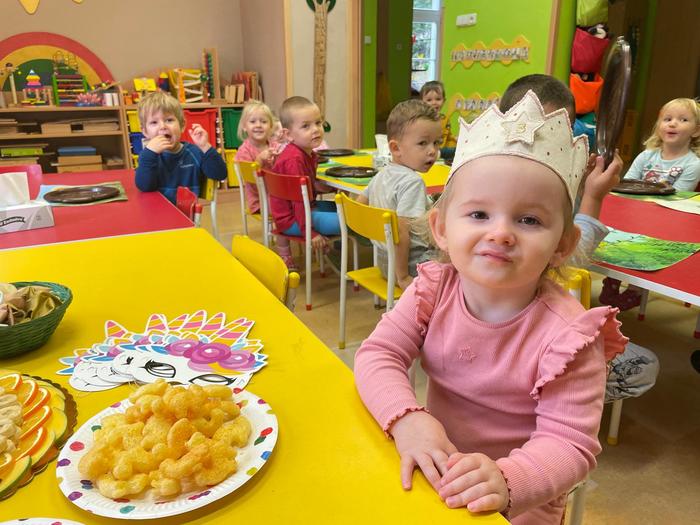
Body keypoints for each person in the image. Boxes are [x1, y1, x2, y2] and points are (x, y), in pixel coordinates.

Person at [354, 91, 628, 524]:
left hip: (515, 505)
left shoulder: (570, 338)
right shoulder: (433, 290)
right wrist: (407, 418)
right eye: (479, 214)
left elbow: (570, 445)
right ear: (441, 228)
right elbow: (378, 354)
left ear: (563, 245)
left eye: (529, 220)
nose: (500, 233)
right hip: (434, 475)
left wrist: (507, 479)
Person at [501, 73, 659, 405]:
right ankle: (548, 394)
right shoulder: (530, 190)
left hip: (503, 333)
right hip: (526, 339)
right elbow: (567, 258)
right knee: (645, 366)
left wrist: (577, 183)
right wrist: (592, 196)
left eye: (561, 128)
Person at [601, 98, 700, 309]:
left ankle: (635, 290)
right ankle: (612, 278)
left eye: (683, 120)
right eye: (667, 119)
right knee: (619, 235)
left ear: (696, 131)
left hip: (667, 220)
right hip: (636, 214)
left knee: (648, 247)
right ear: (659, 126)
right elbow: (627, 184)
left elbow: (678, 196)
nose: (673, 123)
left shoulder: (693, 164)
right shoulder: (646, 156)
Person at [357, 99, 440, 290]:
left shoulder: (382, 173)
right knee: (460, 260)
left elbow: (360, 204)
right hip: (410, 265)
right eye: (423, 143)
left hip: (383, 262)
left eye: (436, 143)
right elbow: (402, 233)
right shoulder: (413, 182)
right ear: (395, 148)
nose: (432, 151)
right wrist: (402, 276)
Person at [270, 96, 339, 268]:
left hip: (301, 211)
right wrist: (310, 233)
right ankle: (339, 251)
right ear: (288, 135)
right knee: (349, 221)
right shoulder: (294, 160)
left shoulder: (306, 153)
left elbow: (308, 191)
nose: (315, 130)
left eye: (318, 123)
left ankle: (337, 249)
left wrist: (325, 188)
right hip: (292, 220)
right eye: (306, 126)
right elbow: (299, 201)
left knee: (346, 210)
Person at [135, 92, 227, 205]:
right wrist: (149, 154)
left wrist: (205, 147)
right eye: (154, 122)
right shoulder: (147, 157)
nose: (163, 126)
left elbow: (220, 174)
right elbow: (145, 187)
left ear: (182, 125)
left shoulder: (194, 153)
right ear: (145, 131)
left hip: (185, 214)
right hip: (155, 212)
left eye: (169, 120)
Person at [234, 100, 276, 214]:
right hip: (259, 201)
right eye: (252, 121)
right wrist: (260, 159)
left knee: (298, 201)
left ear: (271, 126)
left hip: (278, 193)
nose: (258, 125)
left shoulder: (274, 145)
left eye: (264, 121)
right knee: (289, 207)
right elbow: (250, 178)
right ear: (244, 126)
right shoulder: (244, 151)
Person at [420, 81, 456, 149]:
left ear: (444, 101)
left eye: (438, 99)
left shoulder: (445, 119)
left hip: (442, 152)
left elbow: (449, 139)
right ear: (422, 102)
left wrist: (457, 145)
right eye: (429, 100)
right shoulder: (421, 120)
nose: (434, 103)